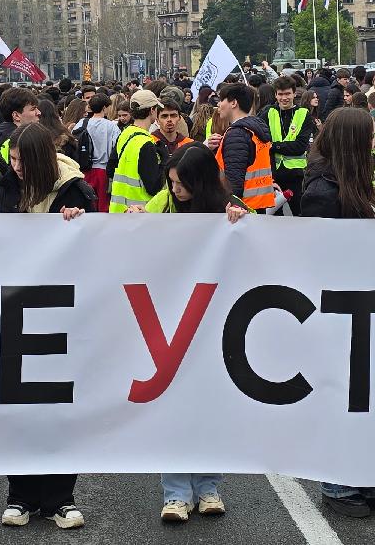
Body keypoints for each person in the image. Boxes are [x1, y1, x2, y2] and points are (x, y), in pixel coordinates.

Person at [0, 122, 93, 531]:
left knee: (59, 409)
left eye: (23, 160)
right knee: (18, 408)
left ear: (42, 159)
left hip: (62, 316)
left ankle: (61, 497)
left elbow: (99, 248)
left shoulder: (76, 192)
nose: (15, 166)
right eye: (13, 159)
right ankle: (20, 495)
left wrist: (82, 223)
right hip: (14, 315)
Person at [291, 108, 375, 518]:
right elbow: (317, 257)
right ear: (353, 142)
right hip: (340, 311)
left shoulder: (359, 180)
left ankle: (374, 479)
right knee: (345, 398)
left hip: (369, 306)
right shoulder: (322, 192)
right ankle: (339, 483)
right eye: (371, 135)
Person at [123, 143, 243, 521]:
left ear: (201, 182)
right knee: (174, 408)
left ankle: (208, 487)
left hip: (213, 323)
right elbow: (138, 228)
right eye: (171, 183)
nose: (174, 190)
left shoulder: (231, 207)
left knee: (209, 408)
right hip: (171, 320)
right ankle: (176, 493)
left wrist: (242, 222)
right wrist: (136, 216)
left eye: (180, 184)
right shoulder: (165, 201)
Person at [207, 82, 276, 213]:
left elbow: (234, 178)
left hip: (242, 208)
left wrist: (234, 204)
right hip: (257, 203)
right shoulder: (256, 128)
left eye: (221, 100)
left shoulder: (237, 133)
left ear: (233, 103)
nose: (218, 104)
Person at [110, 90, 165, 213]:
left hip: (119, 211)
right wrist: (165, 160)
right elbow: (153, 187)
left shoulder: (125, 134)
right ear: (152, 110)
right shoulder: (146, 143)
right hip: (140, 212)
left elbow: (110, 169)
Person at [265, 75, 310, 214]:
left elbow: (300, 146)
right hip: (273, 175)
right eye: (280, 94)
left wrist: (274, 146)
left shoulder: (303, 114)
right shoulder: (268, 112)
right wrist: (276, 146)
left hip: (296, 176)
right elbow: (263, 144)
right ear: (275, 95)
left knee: (300, 215)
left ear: (294, 93)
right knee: (274, 218)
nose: (284, 98)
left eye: (287, 94)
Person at [76, 93, 120, 210]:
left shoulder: (82, 123)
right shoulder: (111, 126)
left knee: (86, 205)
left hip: (84, 169)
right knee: (103, 205)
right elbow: (116, 148)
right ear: (104, 108)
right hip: (103, 170)